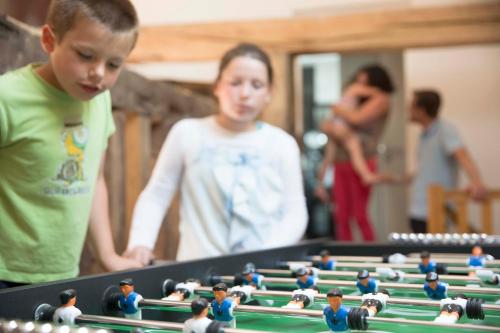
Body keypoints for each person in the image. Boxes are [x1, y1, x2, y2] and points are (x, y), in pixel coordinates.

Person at [0, 0, 142, 288]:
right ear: (49, 40)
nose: (99, 73)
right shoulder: (8, 98)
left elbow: (94, 178)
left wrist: (107, 255)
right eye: (85, 55)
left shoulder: (99, 99)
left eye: (114, 64)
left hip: (63, 273)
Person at [125, 43, 308, 263]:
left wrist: (264, 255)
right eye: (235, 83)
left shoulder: (281, 143)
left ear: (269, 93)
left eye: (257, 85)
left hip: (263, 274)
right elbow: (157, 194)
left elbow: (295, 211)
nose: (244, 94)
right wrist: (140, 242)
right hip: (197, 272)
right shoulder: (187, 132)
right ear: (217, 86)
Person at [316, 65, 394, 242]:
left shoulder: (381, 99)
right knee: (341, 214)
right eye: (358, 81)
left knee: (359, 214)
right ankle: (345, 250)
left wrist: (337, 109)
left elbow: (356, 118)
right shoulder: (352, 100)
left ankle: (370, 253)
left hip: (363, 160)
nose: (360, 86)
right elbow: (327, 125)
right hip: (341, 161)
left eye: (364, 82)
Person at [408, 89, 486, 233]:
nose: (408, 110)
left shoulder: (444, 130)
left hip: (436, 209)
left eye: (411, 106)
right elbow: (426, 171)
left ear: (421, 110)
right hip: (418, 208)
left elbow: (462, 156)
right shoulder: (424, 135)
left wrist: (477, 182)